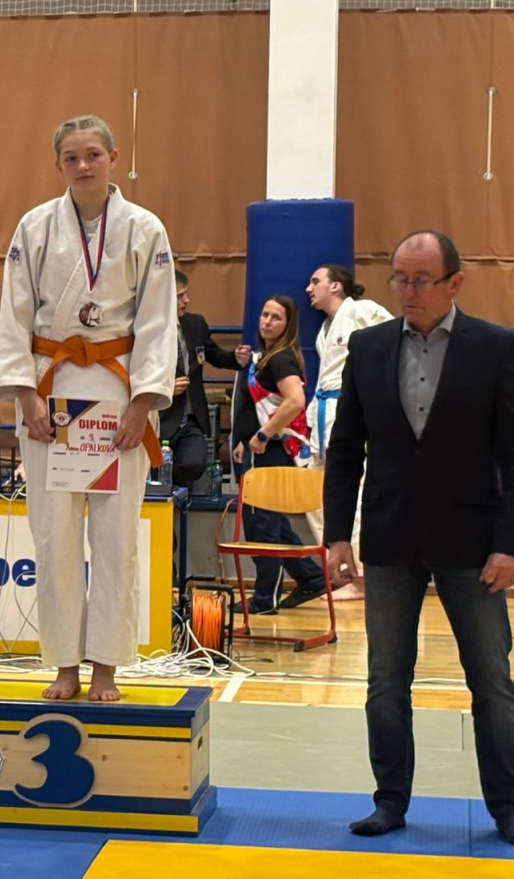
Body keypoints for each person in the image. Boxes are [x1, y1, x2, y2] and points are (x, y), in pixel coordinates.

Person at [324, 230, 514, 844]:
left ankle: (508, 806)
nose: (408, 291)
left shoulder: (496, 347)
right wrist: (336, 535)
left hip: (473, 541)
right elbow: (345, 448)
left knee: (492, 683)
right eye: (399, 279)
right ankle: (389, 801)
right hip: (389, 536)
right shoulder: (368, 347)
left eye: (421, 280)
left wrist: (509, 544)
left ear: (455, 282)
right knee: (385, 681)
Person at [0, 114, 177, 701]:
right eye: (71, 157)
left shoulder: (144, 228)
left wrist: (142, 405)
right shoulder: (34, 226)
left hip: (118, 393)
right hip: (50, 393)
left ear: (114, 158)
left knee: (117, 539)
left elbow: (158, 321)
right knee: (54, 538)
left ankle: (107, 668)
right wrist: (26, 396)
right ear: (58, 166)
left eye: (93, 154)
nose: (83, 165)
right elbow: (15, 313)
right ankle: (64, 665)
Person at [230, 294, 327, 614]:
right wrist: (246, 439)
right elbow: (256, 408)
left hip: (273, 452)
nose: (267, 321)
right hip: (260, 450)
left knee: (264, 527)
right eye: (265, 314)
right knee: (270, 524)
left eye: (276, 317)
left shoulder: (282, 359)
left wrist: (263, 435)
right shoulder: (266, 357)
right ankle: (312, 578)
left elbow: (295, 401)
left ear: (288, 325)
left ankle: (264, 600)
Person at [303, 263, 393, 601]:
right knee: (320, 495)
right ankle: (340, 569)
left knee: (356, 494)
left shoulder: (362, 310)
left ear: (336, 286)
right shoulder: (324, 330)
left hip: (353, 410)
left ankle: (360, 578)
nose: (309, 288)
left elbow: (396, 340)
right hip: (325, 412)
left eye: (315, 281)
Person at [159, 269, 250, 487]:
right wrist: (164, 388)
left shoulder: (196, 324)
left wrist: (235, 358)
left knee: (193, 464)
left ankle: (176, 493)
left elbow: (215, 356)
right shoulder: (150, 330)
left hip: (191, 418)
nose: (186, 300)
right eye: (180, 296)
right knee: (155, 472)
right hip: (160, 416)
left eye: (186, 294)